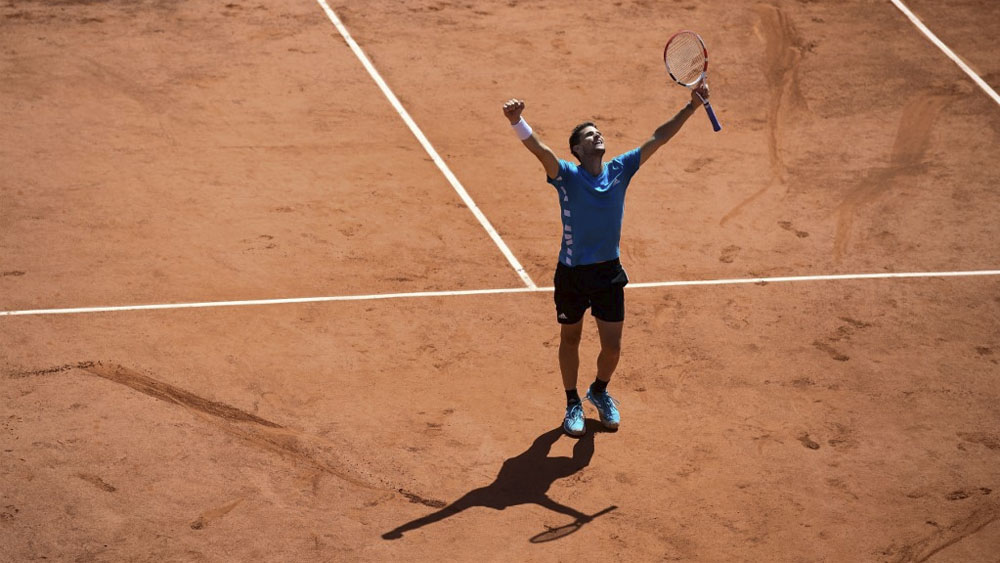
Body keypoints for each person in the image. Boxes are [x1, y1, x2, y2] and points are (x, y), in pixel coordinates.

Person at [502, 80, 711, 436]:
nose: (597, 137)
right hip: (572, 273)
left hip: (608, 273)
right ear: (576, 150)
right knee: (571, 339)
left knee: (612, 347)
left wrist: (691, 107)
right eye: (589, 136)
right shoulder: (565, 175)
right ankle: (572, 402)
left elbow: (658, 138)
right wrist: (517, 121)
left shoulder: (620, 169)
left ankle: (598, 390)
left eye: (598, 133)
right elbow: (540, 151)